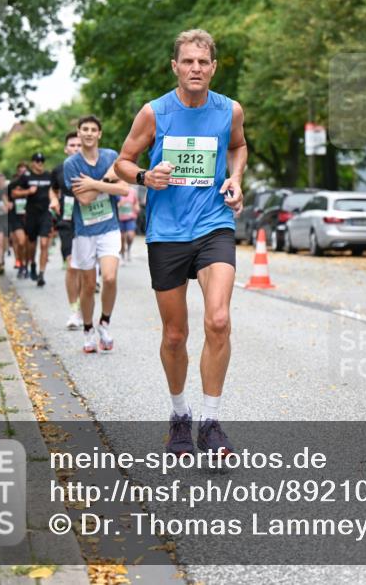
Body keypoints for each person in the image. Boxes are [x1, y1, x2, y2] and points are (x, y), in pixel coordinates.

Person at [114, 28, 246, 457]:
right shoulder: (154, 113)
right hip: (167, 233)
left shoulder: (230, 111)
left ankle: (211, 423)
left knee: (219, 320)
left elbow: (240, 148)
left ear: (213, 67)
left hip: (214, 226)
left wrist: (236, 179)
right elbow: (122, 162)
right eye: (188, 61)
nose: (195, 68)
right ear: (175, 66)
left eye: (203, 62)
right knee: (175, 335)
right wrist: (144, 177)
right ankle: (179, 416)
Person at [64, 115, 128, 353]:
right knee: (89, 285)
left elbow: (123, 189)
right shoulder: (71, 164)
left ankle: (105, 323)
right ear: (78, 133)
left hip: (109, 228)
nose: (89, 133)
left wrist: (93, 183)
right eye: (85, 129)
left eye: (93, 129)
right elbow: (84, 198)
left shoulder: (111, 157)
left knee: (109, 278)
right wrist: (104, 181)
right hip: (84, 232)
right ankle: (88, 330)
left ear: (99, 134)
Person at [52, 131, 84, 329]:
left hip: (90, 221)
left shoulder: (92, 167)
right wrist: (54, 199)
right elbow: (52, 188)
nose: (76, 148)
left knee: (84, 269)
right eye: (72, 145)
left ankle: (84, 308)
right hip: (67, 221)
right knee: (72, 266)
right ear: (66, 149)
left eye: (79, 145)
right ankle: (74, 311)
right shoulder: (58, 170)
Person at [13, 152, 57, 287]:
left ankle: (41, 274)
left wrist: (55, 202)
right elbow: (14, 192)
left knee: (44, 243)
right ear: (32, 163)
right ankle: (32, 263)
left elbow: (55, 191)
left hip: (45, 214)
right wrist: (27, 192)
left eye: (42, 160)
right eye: (37, 161)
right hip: (31, 214)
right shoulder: (26, 177)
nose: (40, 163)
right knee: (31, 245)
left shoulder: (49, 176)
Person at [7, 162, 29, 278]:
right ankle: (21, 264)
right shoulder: (12, 185)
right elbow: (5, 197)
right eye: (20, 172)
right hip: (16, 217)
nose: (22, 175)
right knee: (20, 241)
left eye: (25, 172)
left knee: (28, 244)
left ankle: (26, 264)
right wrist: (8, 203)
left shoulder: (31, 184)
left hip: (29, 216)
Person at [117, 183, 140, 262]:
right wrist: (119, 205)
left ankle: (129, 249)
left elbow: (136, 202)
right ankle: (122, 253)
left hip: (130, 217)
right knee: (122, 238)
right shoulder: (117, 190)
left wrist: (137, 207)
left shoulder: (133, 191)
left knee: (130, 236)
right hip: (120, 218)